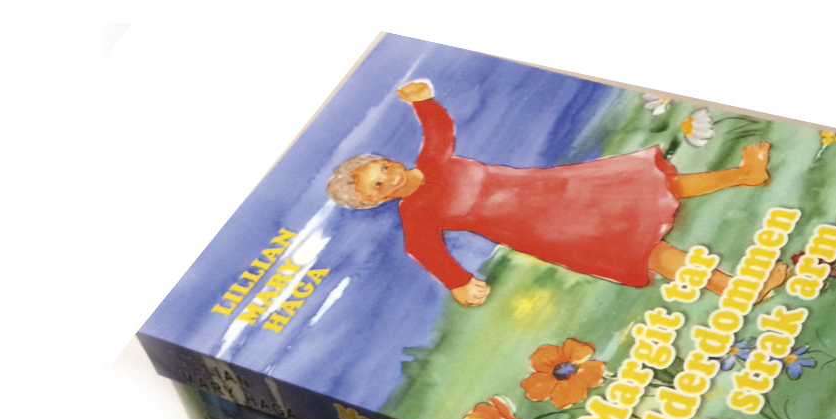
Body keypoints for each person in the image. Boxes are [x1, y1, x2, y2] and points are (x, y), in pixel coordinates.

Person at [328, 80, 785, 307]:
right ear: (374, 201)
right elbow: (423, 248)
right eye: (378, 185)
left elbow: (439, 130)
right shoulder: (416, 214)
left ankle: (743, 176)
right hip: (546, 229)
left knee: (650, 186)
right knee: (640, 247)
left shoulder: (433, 162)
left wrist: (422, 101)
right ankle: (737, 290)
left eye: (382, 166)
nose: (388, 176)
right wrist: (458, 282)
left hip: (556, 190)